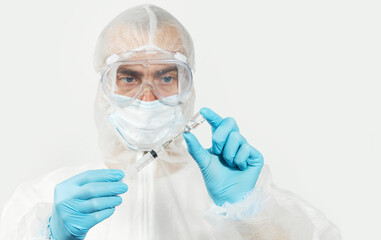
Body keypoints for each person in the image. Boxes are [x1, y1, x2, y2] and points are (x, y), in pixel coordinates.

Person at [0, 4, 342, 240]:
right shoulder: (42, 200)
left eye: (166, 78)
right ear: (104, 87)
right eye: (129, 78)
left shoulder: (237, 194)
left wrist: (249, 213)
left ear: (187, 86)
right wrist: (52, 235)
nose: (147, 98)